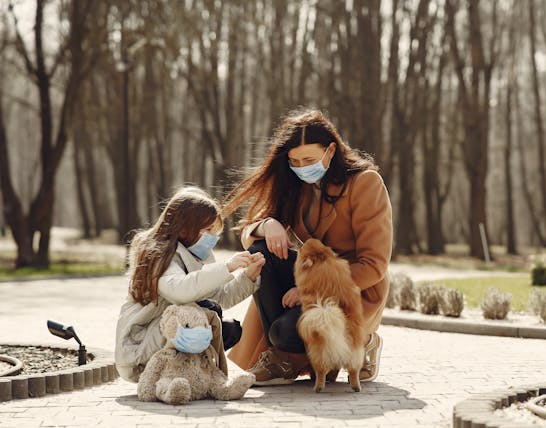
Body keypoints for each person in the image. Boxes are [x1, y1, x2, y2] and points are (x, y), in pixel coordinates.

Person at [223, 108, 392, 385]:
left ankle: (361, 342)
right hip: (307, 278)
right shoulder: (294, 185)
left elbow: (374, 265)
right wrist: (267, 225)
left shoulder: (365, 184)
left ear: (331, 151)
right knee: (260, 254)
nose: (302, 167)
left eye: (310, 159)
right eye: (295, 161)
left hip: (350, 289)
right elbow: (247, 234)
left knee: (288, 331)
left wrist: (312, 289)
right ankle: (281, 357)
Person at [115, 186, 265, 383]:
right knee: (203, 313)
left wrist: (248, 277)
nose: (213, 237)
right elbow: (180, 291)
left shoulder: (198, 253)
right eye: (208, 230)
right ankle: (177, 374)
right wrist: (227, 267)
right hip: (139, 351)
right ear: (185, 228)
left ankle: (188, 372)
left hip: (167, 336)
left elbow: (220, 298)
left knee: (225, 326)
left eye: (216, 230)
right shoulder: (159, 255)